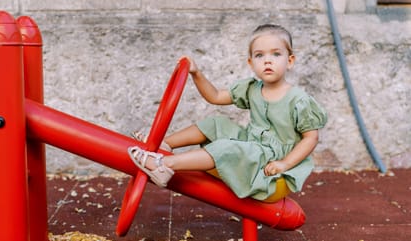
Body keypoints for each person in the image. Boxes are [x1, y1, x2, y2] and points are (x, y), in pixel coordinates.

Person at [128, 24, 327, 201]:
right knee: (217, 123)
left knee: (227, 147)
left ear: (290, 61)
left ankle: (165, 164)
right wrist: (196, 73)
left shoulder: (298, 100)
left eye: (276, 54)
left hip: (270, 162)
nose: (267, 61)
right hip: (252, 144)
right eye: (260, 55)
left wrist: (284, 163)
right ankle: (165, 144)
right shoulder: (252, 88)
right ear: (251, 63)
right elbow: (215, 96)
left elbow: (310, 138)